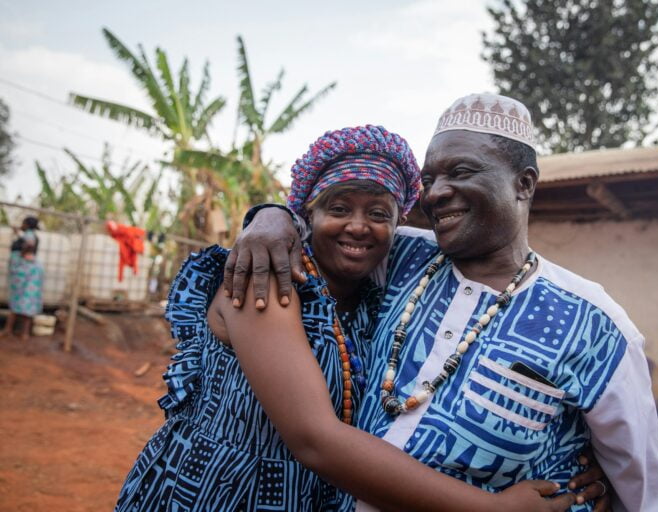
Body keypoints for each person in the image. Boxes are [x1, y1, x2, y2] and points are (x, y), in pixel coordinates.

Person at [226, 94, 658, 511]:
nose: (436, 192)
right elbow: (319, 224)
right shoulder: (399, 255)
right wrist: (271, 215)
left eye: (460, 172)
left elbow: (643, 490)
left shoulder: (595, 323)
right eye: (429, 179)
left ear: (524, 184)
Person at [115, 125, 594, 512]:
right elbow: (314, 438)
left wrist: (571, 463)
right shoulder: (265, 281)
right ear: (307, 214)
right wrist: (490, 509)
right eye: (339, 208)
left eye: (379, 213)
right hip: (214, 493)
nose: (359, 226)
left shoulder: (380, 301)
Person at [2, 216, 44, 341]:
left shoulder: (29, 235)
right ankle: (23, 333)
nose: (22, 225)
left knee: (18, 301)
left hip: (25, 272)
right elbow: (27, 242)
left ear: (27, 224)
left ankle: (9, 330)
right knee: (27, 302)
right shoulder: (29, 234)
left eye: (23, 223)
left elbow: (28, 246)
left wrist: (21, 255)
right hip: (29, 273)